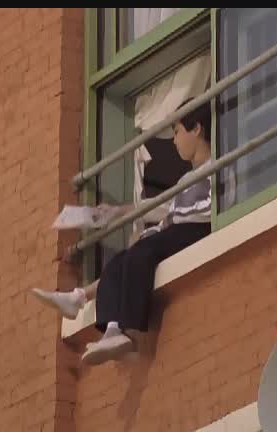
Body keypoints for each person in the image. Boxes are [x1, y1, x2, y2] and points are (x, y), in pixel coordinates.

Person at [32, 98, 213, 366]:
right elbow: (158, 206)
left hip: (196, 229)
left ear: (196, 128)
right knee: (119, 261)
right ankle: (104, 322)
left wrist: (152, 230)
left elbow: (201, 209)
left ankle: (123, 324)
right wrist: (116, 211)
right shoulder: (186, 180)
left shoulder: (218, 165)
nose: (174, 140)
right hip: (176, 230)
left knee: (140, 252)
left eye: (176, 131)